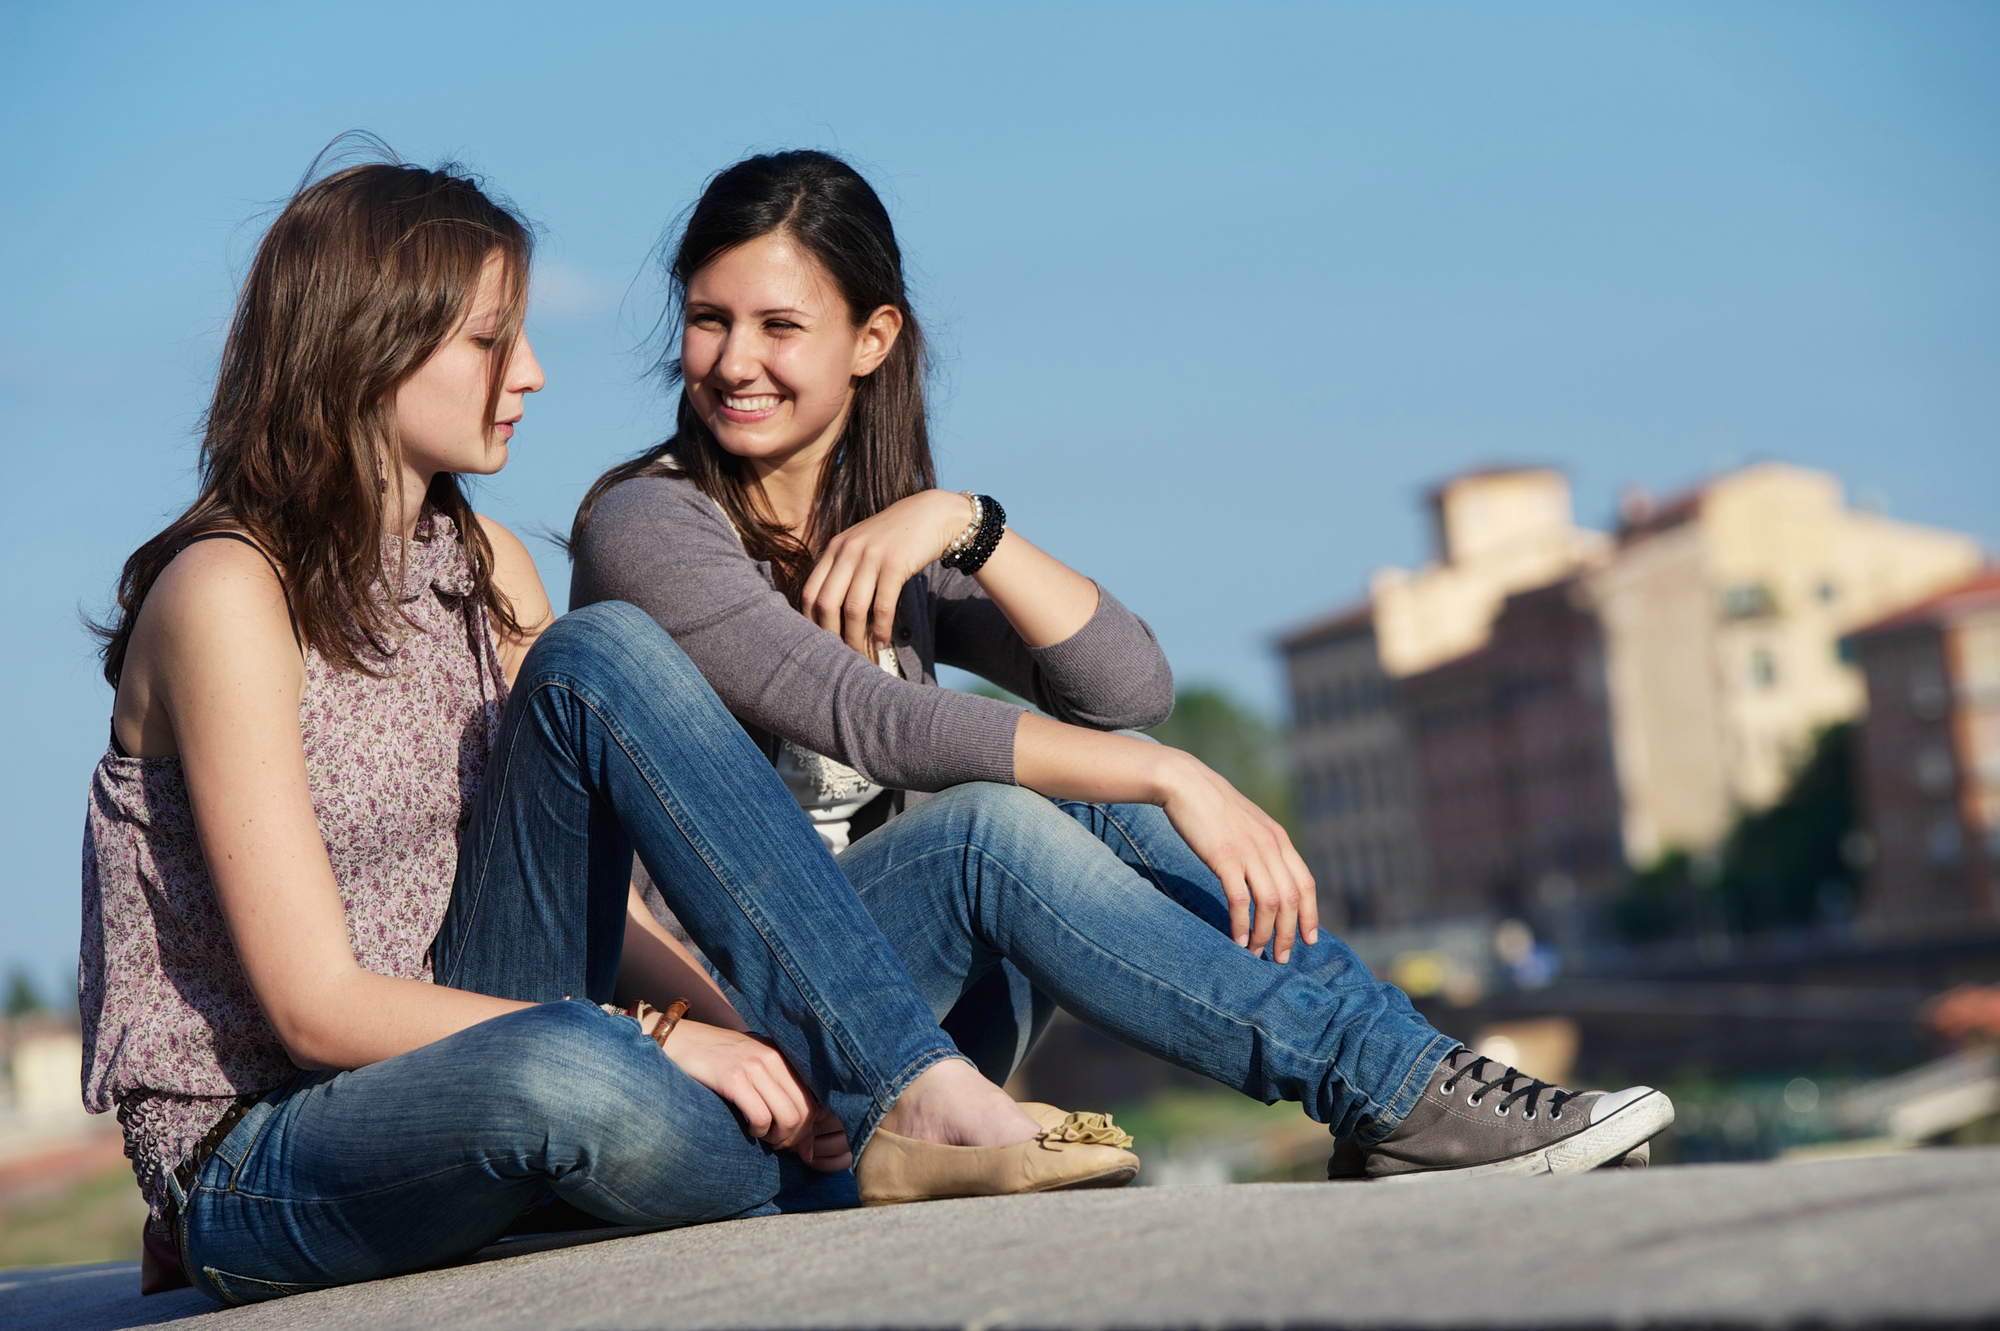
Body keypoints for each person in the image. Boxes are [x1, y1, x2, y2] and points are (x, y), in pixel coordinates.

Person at [79, 149, 1140, 1307]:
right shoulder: (228, 595)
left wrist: (765, 1033)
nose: (530, 374)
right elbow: (312, 1004)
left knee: (614, 660)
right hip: (280, 1140)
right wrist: (658, 1039)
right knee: (571, 1065)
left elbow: (603, 902)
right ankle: (871, 1125)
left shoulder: (483, 563)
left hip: (487, 1030)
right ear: (368, 342)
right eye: (491, 341)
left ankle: (877, 1094)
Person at [569, 149, 1674, 1181]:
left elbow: (1126, 688)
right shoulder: (651, 526)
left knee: (1101, 757)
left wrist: (968, 525)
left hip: (911, 1020)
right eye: (710, 321)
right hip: (738, 1020)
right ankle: (1388, 1089)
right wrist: (1175, 776)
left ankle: (1406, 1075)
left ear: (871, 339)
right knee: (992, 826)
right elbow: (870, 719)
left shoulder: (889, 536)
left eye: (777, 325)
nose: (733, 360)